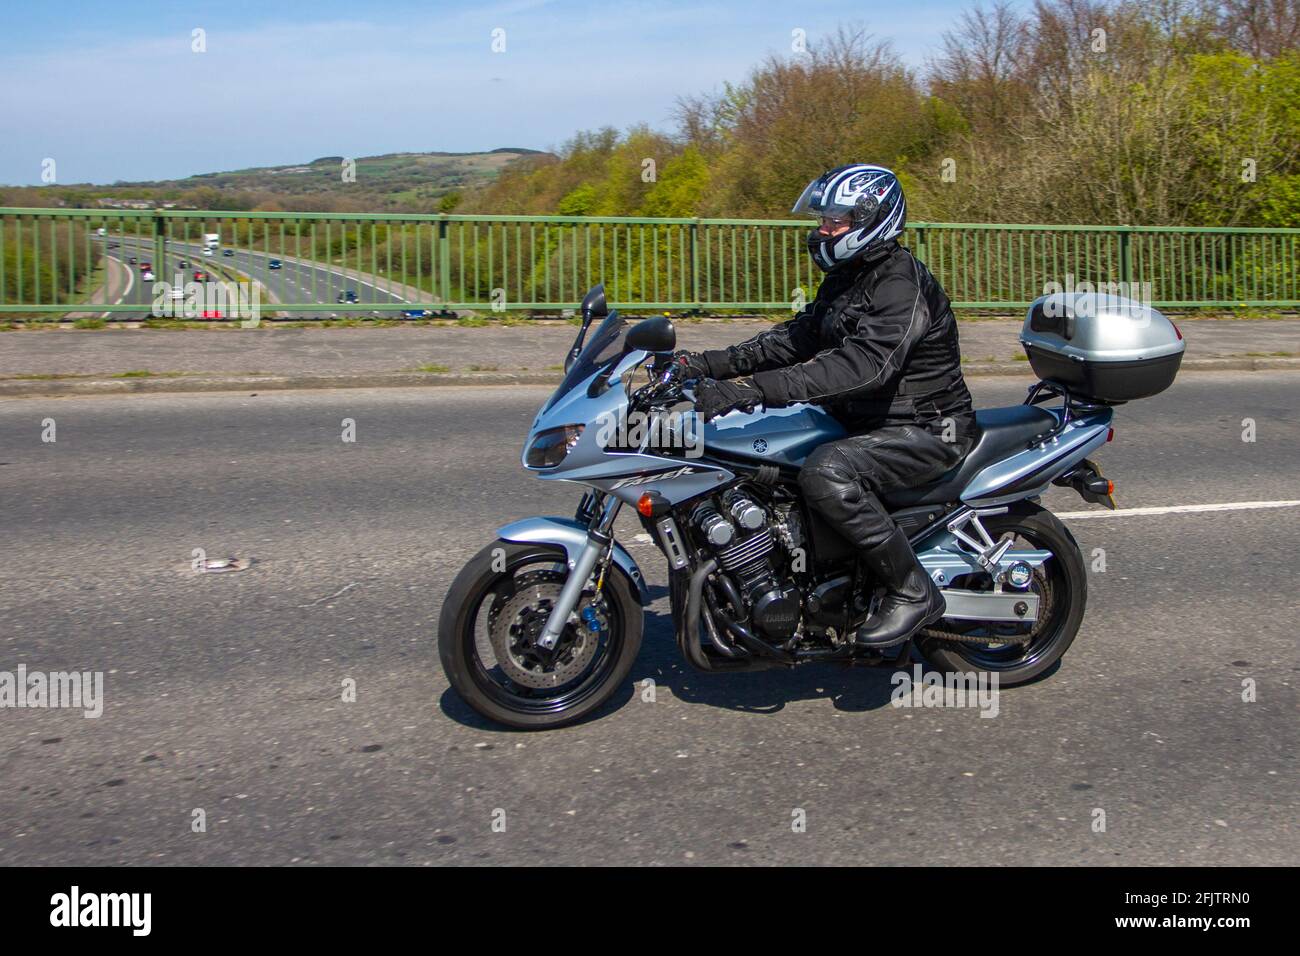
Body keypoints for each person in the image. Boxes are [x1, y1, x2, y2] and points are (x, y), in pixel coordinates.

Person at [676, 164, 977, 648]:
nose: (823, 229)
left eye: (835, 218)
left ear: (871, 217)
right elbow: (796, 338)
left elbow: (862, 368)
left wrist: (751, 391)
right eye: (823, 218)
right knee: (758, 459)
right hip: (866, 421)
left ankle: (912, 590)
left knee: (825, 472)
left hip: (925, 427)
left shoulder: (901, 285)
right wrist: (705, 365)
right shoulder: (851, 277)